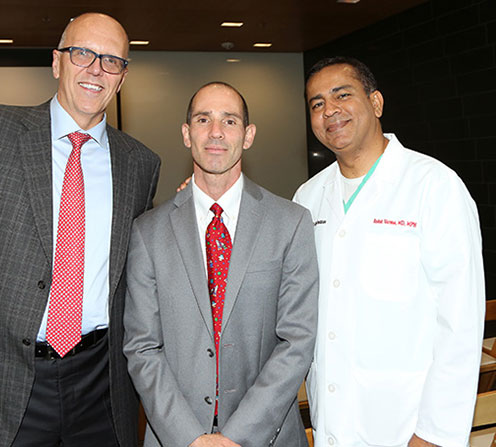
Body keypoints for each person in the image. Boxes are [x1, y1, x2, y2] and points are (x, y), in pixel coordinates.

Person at [0, 12, 160, 447]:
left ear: (123, 77)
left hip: (101, 384)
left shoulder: (140, 164)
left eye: (111, 61)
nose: (96, 69)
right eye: (83, 54)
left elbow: (142, 267)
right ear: (57, 62)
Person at [293, 57, 485, 447]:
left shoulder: (435, 186)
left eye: (342, 95)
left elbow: (460, 324)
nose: (329, 110)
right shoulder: (307, 198)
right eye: (316, 104)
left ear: (376, 103)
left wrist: (435, 434)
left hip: (409, 428)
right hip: (332, 424)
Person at [123, 82, 318, 447]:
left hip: (267, 437)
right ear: (186, 133)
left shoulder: (290, 223)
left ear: (248, 135)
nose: (215, 132)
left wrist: (236, 436)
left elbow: (297, 341)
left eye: (230, 121)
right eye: (203, 119)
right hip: (176, 438)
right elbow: (142, 347)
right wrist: (191, 438)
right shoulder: (148, 232)